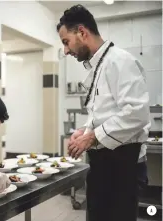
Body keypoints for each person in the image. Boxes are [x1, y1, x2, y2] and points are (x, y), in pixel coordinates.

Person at [56, 5, 151, 221]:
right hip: (103, 165)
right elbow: (105, 113)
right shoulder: (99, 65)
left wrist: (92, 136)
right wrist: (85, 130)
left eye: (66, 41)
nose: (66, 50)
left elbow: (136, 113)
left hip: (122, 167)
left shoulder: (120, 61)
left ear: (82, 32)